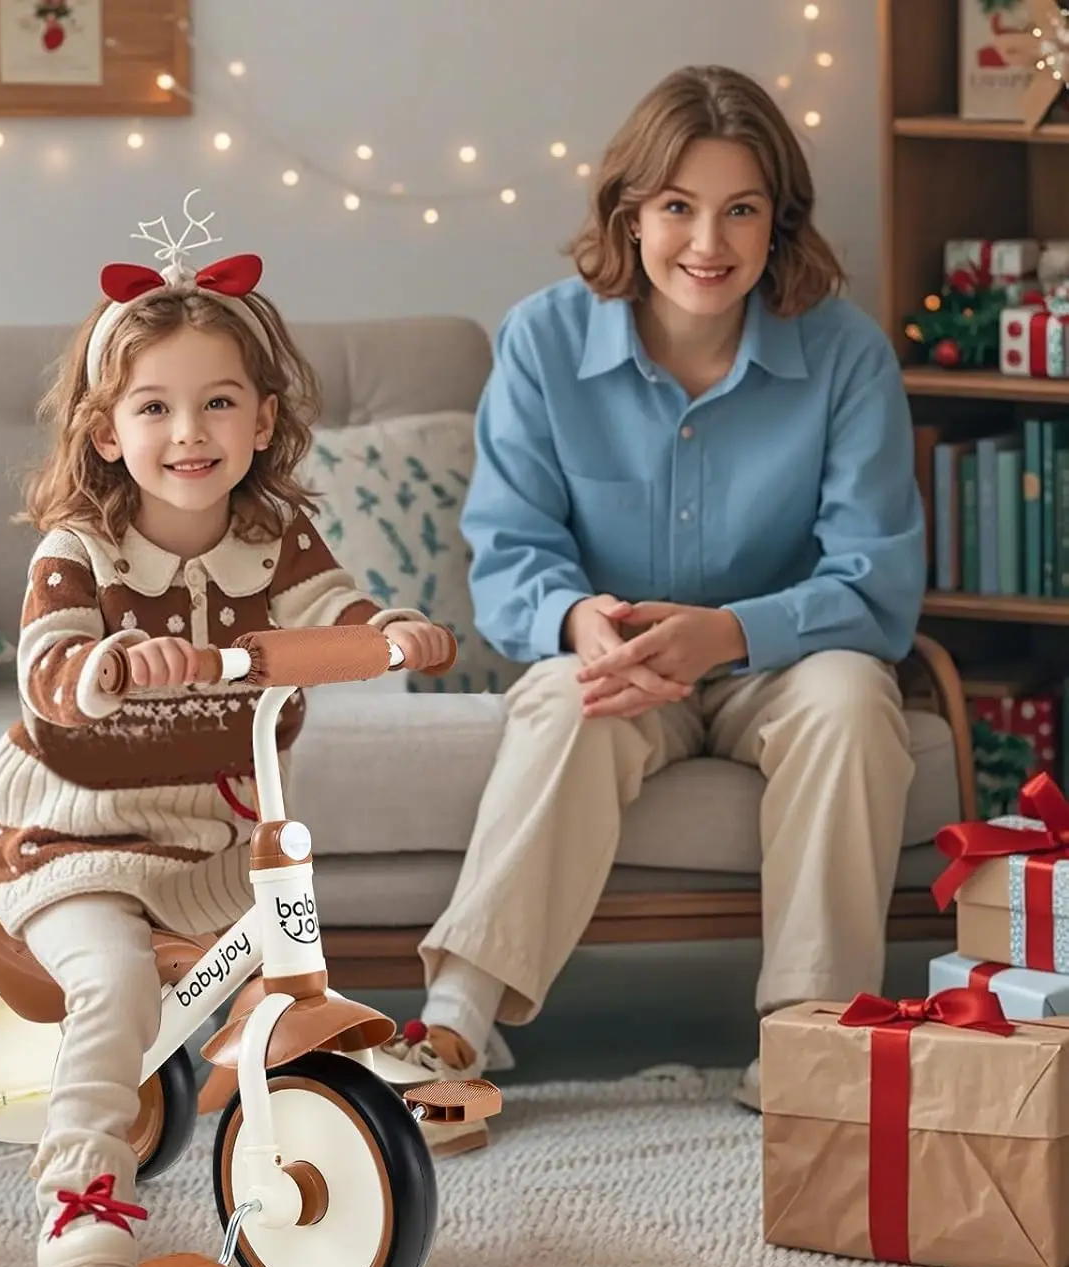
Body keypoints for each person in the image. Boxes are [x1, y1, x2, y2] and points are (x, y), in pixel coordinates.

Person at [372, 63, 926, 1136]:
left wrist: (729, 632)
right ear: (630, 216)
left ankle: (811, 1030)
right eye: (677, 207)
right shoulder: (542, 341)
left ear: (780, 224)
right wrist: (580, 623)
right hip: (621, 660)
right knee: (564, 701)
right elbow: (511, 550)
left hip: (787, 662)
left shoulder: (847, 353)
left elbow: (876, 577)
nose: (707, 243)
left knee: (856, 700)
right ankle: (456, 1022)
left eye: (740, 210)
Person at [0, 208, 454, 1267]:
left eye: (218, 402)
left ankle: (303, 1110)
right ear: (107, 432)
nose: (189, 431)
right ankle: (78, 1192)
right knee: (113, 985)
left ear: (262, 419)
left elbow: (335, 604)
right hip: (73, 841)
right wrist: (106, 671)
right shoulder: (79, 552)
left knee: (288, 940)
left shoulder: (272, 540)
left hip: (213, 836)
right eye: (155, 407)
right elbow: (49, 670)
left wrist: (391, 631)